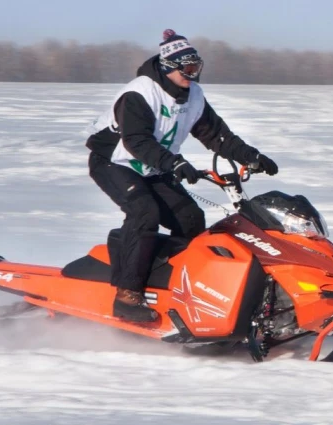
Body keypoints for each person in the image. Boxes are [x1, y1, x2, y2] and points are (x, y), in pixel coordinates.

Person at [85, 29, 278, 322]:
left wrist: (252, 157)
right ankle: (127, 295)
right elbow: (136, 141)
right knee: (144, 213)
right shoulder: (139, 93)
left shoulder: (194, 97)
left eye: (196, 68)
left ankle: (173, 287)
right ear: (168, 67)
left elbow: (218, 136)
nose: (193, 76)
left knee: (190, 219)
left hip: (154, 166)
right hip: (115, 162)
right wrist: (174, 163)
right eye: (187, 69)